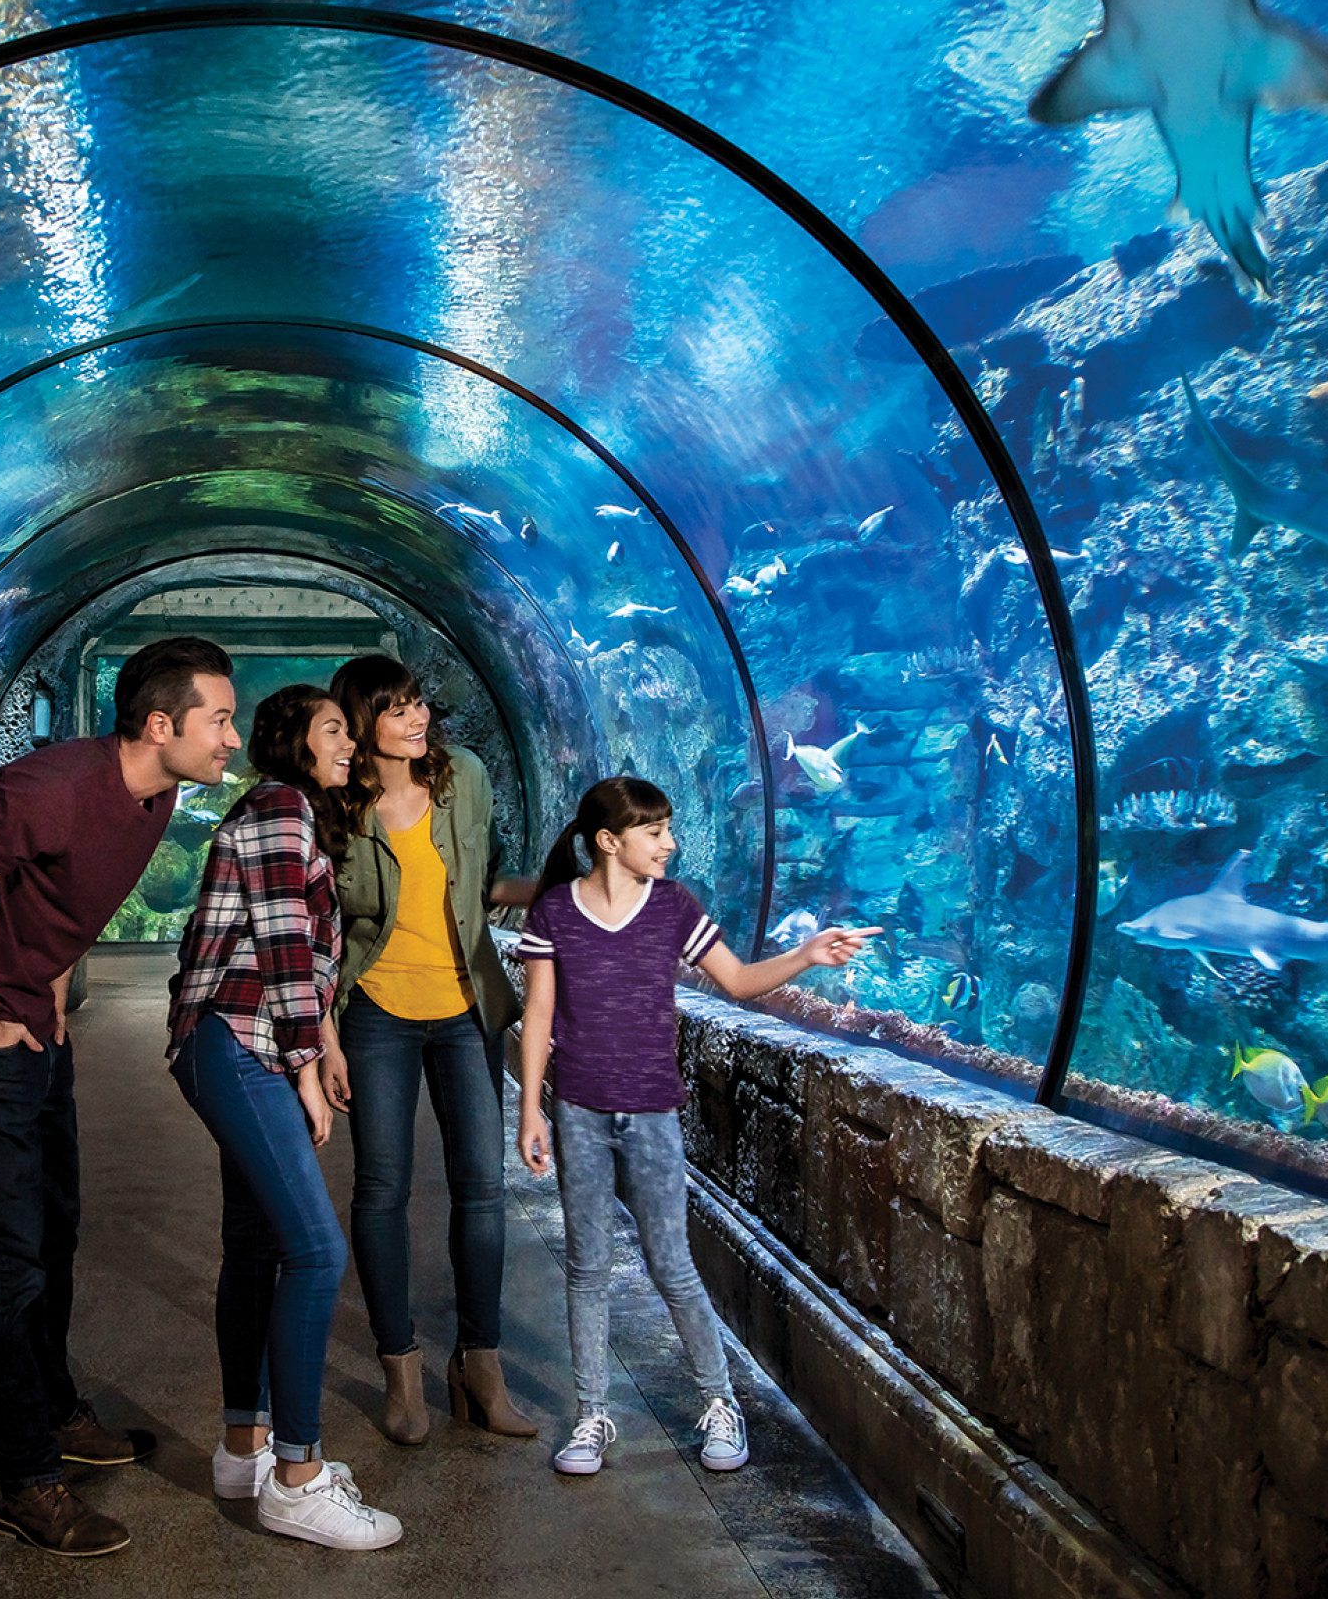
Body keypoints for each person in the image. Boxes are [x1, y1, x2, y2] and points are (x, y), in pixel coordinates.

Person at [0, 635, 241, 1558]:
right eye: (219, 718)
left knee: (53, 1228)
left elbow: (59, 904)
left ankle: (55, 1415)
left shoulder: (159, 795)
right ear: (160, 723)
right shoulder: (47, 786)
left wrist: (49, 1001)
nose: (232, 740)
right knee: (7, 1252)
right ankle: (25, 1482)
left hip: (28, 1025)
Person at [515, 776, 875, 1478]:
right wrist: (532, 1107)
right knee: (586, 1268)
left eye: (669, 829)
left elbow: (736, 981)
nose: (670, 844)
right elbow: (538, 1016)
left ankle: (720, 1402)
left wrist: (808, 955)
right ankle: (592, 1414)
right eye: (655, 832)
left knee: (671, 1263)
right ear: (610, 842)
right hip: (579, 1110)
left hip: (651, 1111)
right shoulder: (555, 912)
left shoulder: (675, 907)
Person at [165, 684, 404, 1552]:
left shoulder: (295, 812)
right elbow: (282, 946)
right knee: (314, 1250)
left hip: (244, 1040)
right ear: (294, 742)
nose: (351, 743)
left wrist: (319, 1047)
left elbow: (304, 961)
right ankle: (299, 1481)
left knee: (258, 1244)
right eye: (335, 729)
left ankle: (245, 1449)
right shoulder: (277, 806)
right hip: (238, 1043)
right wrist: (308, 1069)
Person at [318, 654, 539, 1445]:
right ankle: (401, 1370)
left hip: (467, 1008)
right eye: (400, 711)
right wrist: (323, 1040)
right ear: (364, 720)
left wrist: (565, 893)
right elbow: (323, 929)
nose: (419, 721)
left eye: (420, 707)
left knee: (482, 1188)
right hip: (376, 1008)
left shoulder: (465, 779)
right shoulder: (337, 807)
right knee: (382, 1190)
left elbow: (480, 888)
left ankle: (480, 1366)